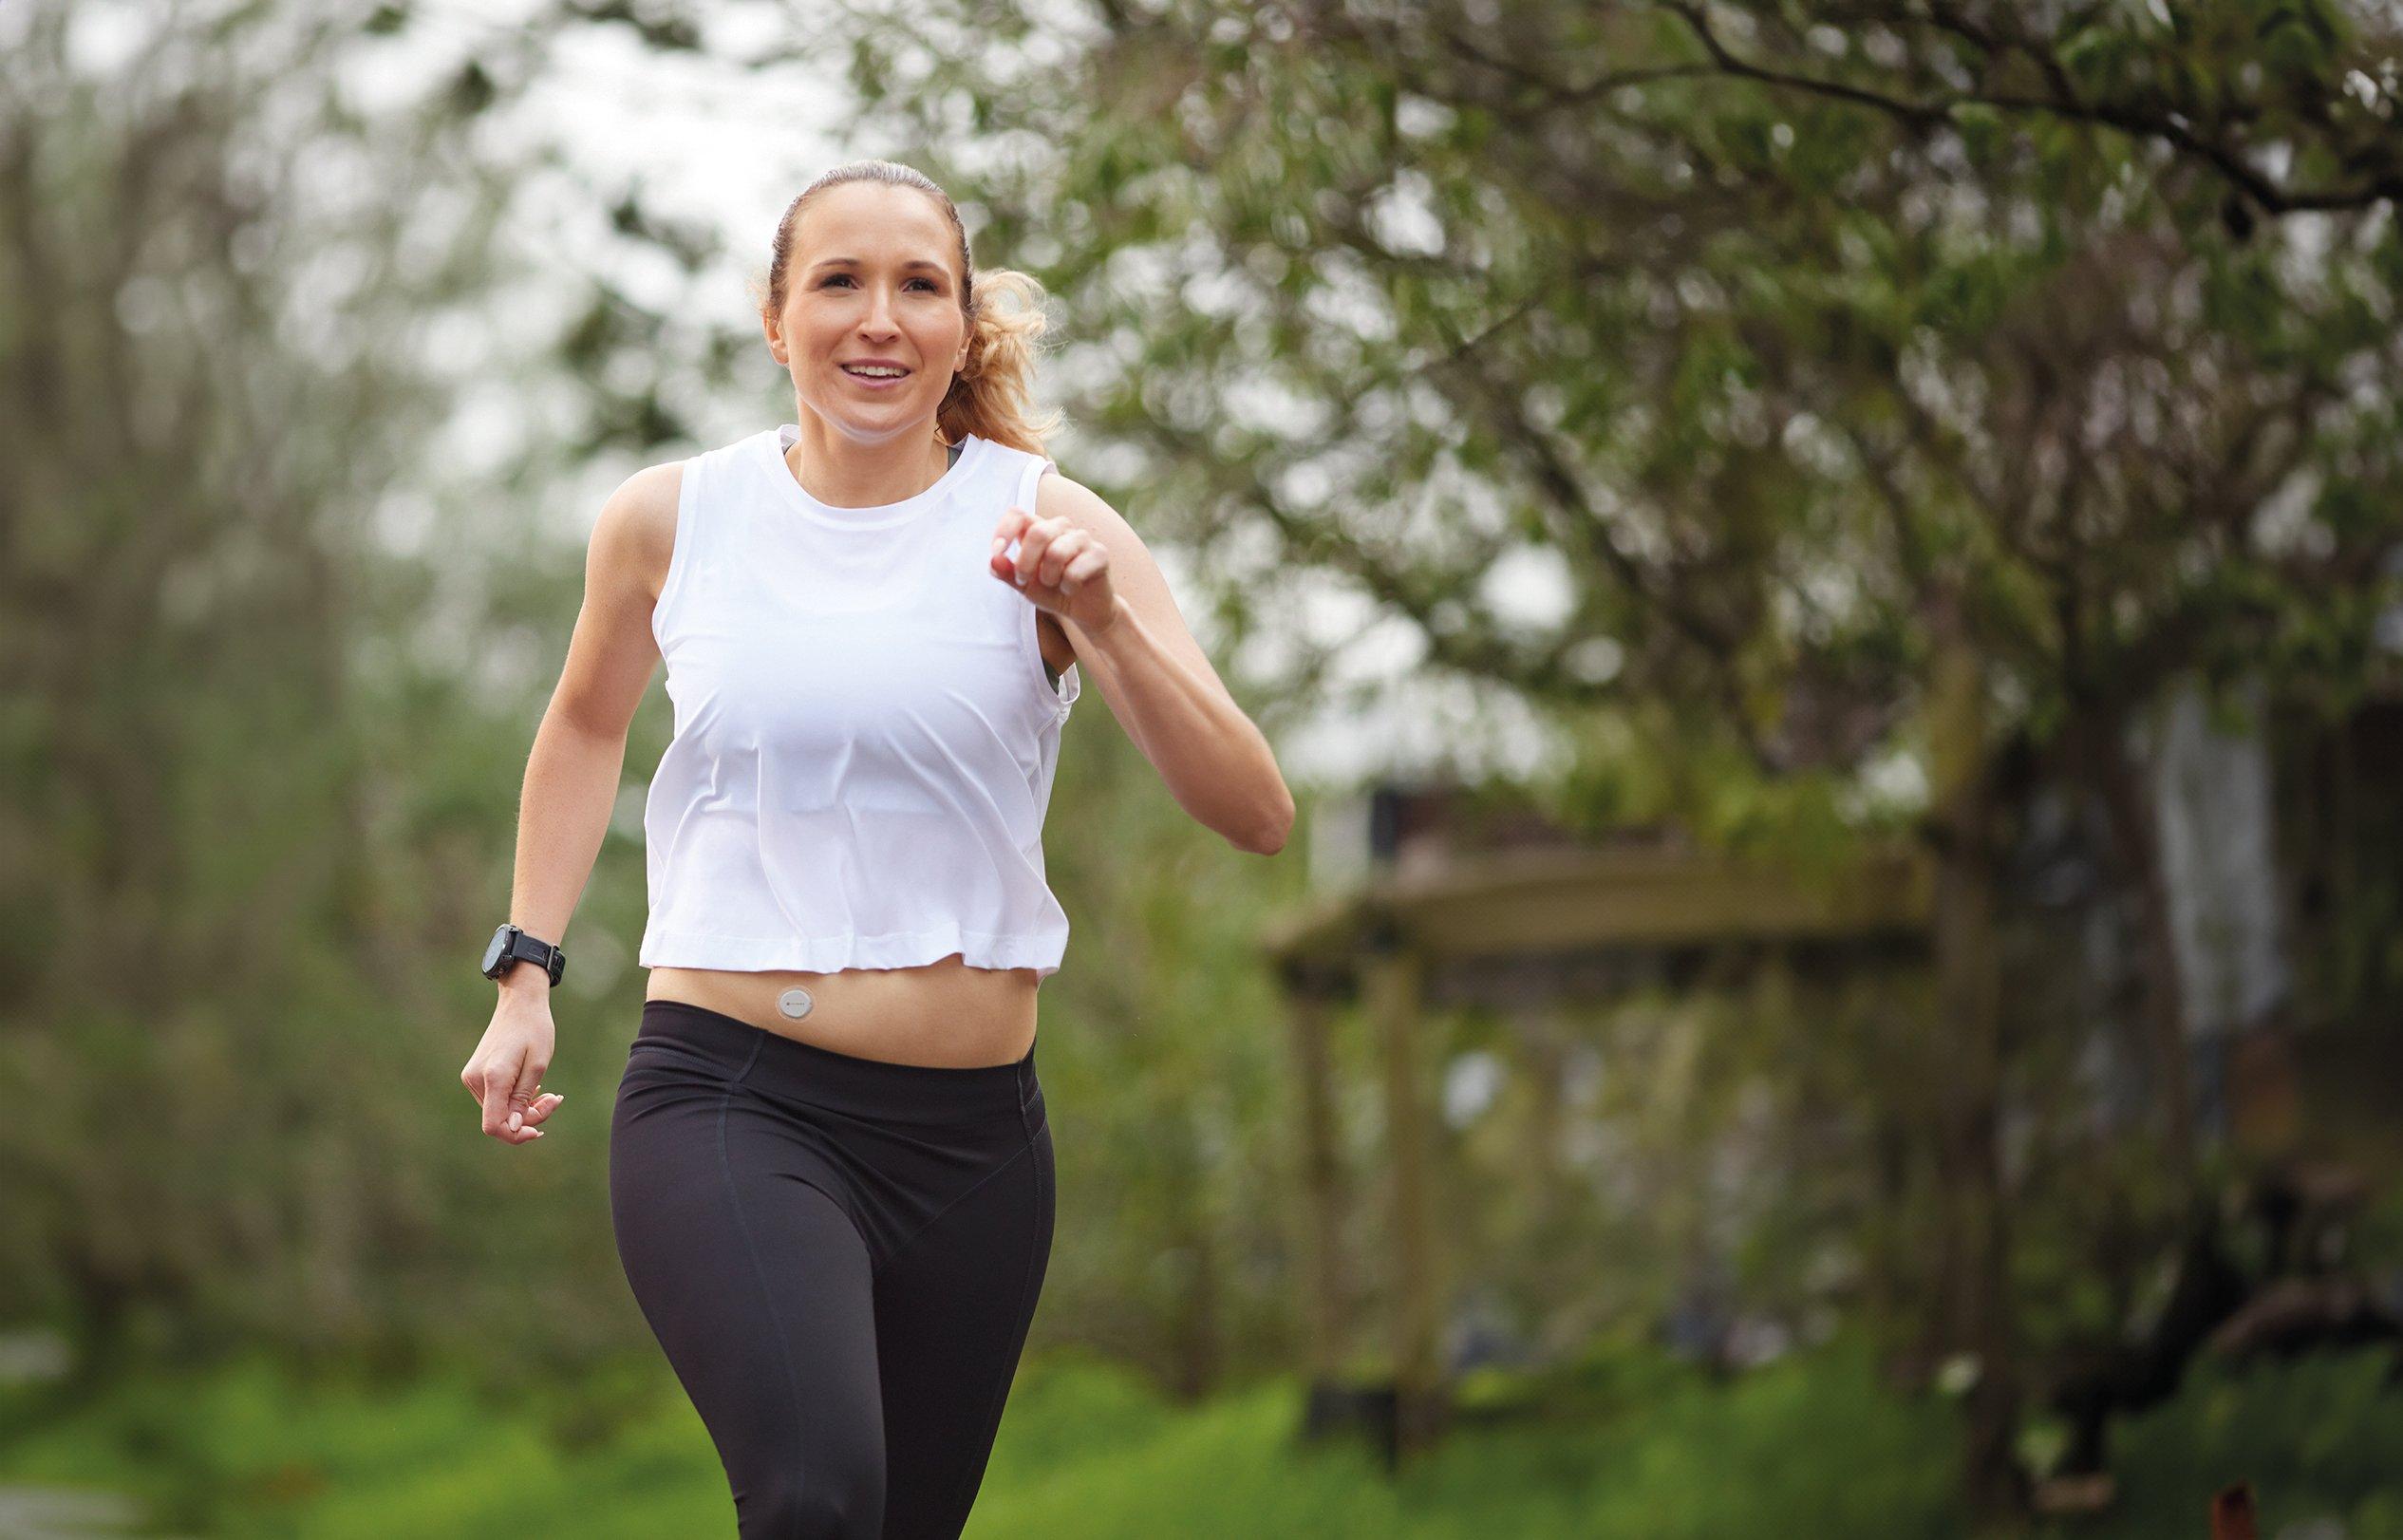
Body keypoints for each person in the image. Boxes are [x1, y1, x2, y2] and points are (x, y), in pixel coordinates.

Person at [457, 158, 1295, 1538]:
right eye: (839, 280)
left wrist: (1109, 622)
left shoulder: (1048, 526)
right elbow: (584, 727)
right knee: (813, 1497)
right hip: (733, 1098)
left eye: (920, 286)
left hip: (976, 1142)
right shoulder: (673, 520)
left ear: (964, 324)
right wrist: (527, 969)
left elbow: (1255, 812)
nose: (880, 319)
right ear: (777, 317)